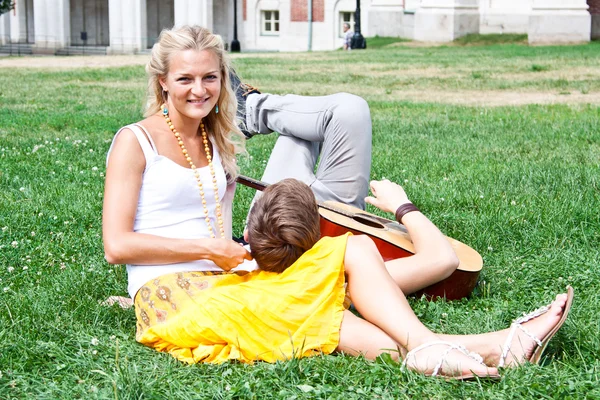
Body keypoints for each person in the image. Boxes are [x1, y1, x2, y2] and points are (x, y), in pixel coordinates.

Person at [102, 25, 573, 378]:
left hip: (228, 275)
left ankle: (442, 349)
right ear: (162, 80)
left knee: (352, 251)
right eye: (185, 78)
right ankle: (481, 346)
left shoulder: (214, 137)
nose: (200, 90)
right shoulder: (135, 142)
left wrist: (233, 256)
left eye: (211, 77)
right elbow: (116, 246)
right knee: (312, 305)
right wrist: (208, 253)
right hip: (176, 299)